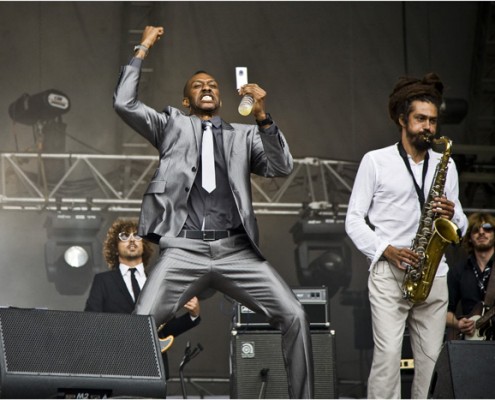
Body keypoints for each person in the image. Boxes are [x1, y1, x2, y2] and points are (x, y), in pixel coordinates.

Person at [112, 26, 313, 399]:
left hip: (236, 251)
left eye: (213, 85)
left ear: (221, 97)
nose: (207, 87)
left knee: (296, 317)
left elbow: (281, 166)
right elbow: (124, 103)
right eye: (198, 85)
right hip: (183, 249)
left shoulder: (244, 135)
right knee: (139, 326)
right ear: (186, 100)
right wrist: (143, 47)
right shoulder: (172, 125)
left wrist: (263, 116)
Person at [345, 72, 468, 399]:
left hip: (434, 274)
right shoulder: (376, 161)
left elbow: (463, 225)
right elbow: (353, 220)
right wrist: (386, 249)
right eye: (420, 119)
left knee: (431, 361)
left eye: (432, 121)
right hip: (390, 272)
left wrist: (452, 213)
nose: (428, 127)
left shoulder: (447, 164)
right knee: (387, 359)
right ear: (402, 119)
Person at [84, 218, 201, 378]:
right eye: (124, 237)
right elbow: (91, 320)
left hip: (153, 367)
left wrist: (193, 315)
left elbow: (167, 328)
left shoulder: (159, 282)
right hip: (115, 364)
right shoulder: (103, 281)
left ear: (144, 246)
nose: (132, 240)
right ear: (115, 247)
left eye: (138, 236)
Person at [447, 212, 495, 340]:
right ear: (469, 237)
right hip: (471, 344)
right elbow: (444, 311)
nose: (481, 232)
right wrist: (458, 324)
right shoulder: (458, 271)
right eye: (475, 229)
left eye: (488, 228)